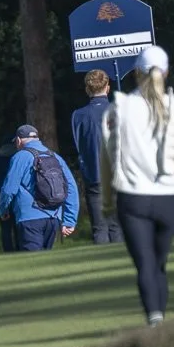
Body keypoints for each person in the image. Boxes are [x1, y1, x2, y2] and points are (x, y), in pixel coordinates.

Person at [102, 45, 174, 325]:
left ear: (136, 73)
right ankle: (159, 318)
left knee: (145, 263)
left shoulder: (120, 108)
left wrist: (107, 200)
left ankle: (155, 318)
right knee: (159, 264)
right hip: (167, 199)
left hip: (133, 198)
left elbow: (107, 158)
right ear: (166, 72)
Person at [0, 124, 79, 251]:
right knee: (44, 262)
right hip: (54, 217)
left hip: (29, 218)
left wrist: (3, 210)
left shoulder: (20, 157)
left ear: (18, 140)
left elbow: (9, 189)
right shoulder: (55, 157)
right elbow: (71, 188)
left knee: (32, 263)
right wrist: (69, 220)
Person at [70, 68, 120, 243]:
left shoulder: (78, 115)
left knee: (100, 227)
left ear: (87, 89)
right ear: (107, 87)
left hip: (93, 173)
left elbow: (78, 145)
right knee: (117, 226)